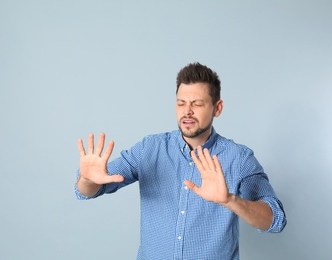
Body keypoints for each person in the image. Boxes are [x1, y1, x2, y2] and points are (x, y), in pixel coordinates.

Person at [75, 62, 287, 259]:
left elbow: (275, 220)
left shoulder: (239, 158)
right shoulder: (150, 149)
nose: (187, 111)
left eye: (197, 103)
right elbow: (87, 191)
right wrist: (87, 180)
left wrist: (229, 200)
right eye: (181, 103)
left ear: (217, 108)